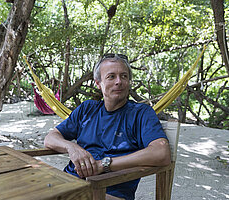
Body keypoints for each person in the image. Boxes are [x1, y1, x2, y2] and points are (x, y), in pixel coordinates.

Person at [44, 53, 171, 200]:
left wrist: (105, 165)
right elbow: (50, 138)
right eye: (111, 76)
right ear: (98, 83)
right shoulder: (87, 109)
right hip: (69, 183)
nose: (119, 82)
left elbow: (161, 153)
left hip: (107, 192)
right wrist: (72, 148)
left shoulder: (141, 113)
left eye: (124, 76)